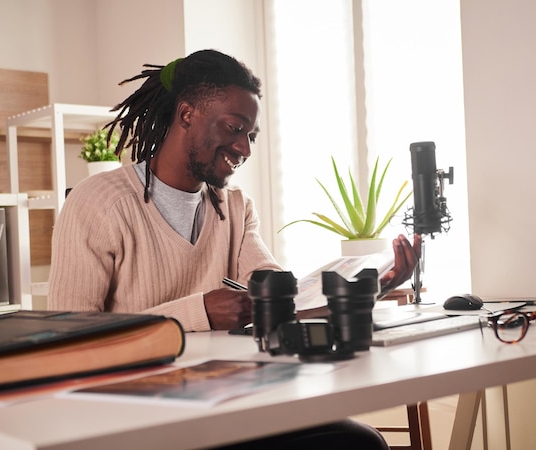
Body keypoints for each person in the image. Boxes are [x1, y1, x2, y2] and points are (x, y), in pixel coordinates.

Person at [48, 49, 421, 449]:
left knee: (360, 443)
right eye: (234, 128)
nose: (244, 149)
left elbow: (281, 303)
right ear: (187, 114)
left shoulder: (236, 208)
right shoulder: (98, 203)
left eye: (250, 136)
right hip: (139, 419)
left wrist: (372, 287)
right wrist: (200, 310)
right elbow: (66, 343)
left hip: (229, 405)